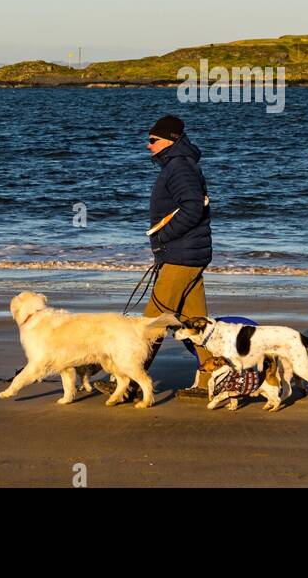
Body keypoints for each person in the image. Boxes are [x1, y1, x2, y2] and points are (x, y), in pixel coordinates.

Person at [96, 114, 213, 400]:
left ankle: (129, 384)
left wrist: (163, 236)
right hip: (187, 255)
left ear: (170, 141)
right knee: (194, 322)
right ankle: (213, 377)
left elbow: (193, 208)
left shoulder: (179, 168)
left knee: (152, 323)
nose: (148, 146)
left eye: (152, 141)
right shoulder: (179, 165)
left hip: (181, 256)